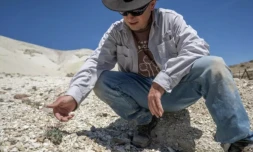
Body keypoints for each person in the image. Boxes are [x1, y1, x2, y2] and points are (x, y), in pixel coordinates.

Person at [46, 0, 253, 151]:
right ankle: (145, 120)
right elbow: (96, 62)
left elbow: (197, 47)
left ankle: (237, 139)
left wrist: (161, 81)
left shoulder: (170, 20)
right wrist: (73, 95)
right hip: (142, 93)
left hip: (174, 90)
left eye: (136, 10)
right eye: (124, 13)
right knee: (101, 80)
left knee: (214, 64)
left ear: (152, 4)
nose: (130, 18)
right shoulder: (115, 32)